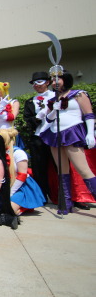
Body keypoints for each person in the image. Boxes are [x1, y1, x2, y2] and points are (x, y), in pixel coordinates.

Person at [39, 71, 96, 214]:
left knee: (83, 170)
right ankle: (66, 204)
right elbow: (49, 119)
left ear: (66, 79)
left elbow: (88, 114)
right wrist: (54, 110)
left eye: (57, 79)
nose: (54, 83)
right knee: (62, 171)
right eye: (52, 80)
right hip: (55, 134)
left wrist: (90, 133)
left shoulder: (78, 94)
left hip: (72, 133)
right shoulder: (53, 99)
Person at [0, 128, 45, 214]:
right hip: (5, 185)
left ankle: (23, 206)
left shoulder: (18, 153)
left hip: (21, 186)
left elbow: (22, 175)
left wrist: (11, 192)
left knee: (7, 210)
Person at [23, 72, 55, 201]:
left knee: (59, 166)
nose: (36, 85)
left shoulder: (56, 96)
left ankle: (63, 195)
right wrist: (38, 117)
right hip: (38, 136)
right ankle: (42, 196)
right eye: (34, 83)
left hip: (56, 135)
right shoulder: (30, 101)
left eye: (39, 82)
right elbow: (28, 119)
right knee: (38, 167)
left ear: (47, 82)